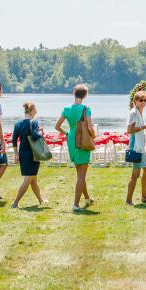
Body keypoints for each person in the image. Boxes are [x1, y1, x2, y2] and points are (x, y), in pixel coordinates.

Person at [55, 83, 95, 211]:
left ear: (74, 93)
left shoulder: (66, 109)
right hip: (82, 140)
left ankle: (87, 198)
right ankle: (76, 205)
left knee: (79, 173)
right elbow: (89, 126)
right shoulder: (86, 108)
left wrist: (67, 133)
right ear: (85, 95)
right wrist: (93, 135)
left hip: (71, 139)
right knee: (81, 175)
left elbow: (57, 126)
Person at [10, 101, 47, 208]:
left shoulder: (18, 124)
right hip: (33, 154)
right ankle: (15, 202)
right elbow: (35, 136)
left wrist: (16, 154)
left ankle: (41, 200)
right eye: (35, 110)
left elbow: (13, 140)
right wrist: (41, 131)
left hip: (22, 153)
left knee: (33, 179)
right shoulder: (34, 122)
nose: (36, 112)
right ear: (31, 111)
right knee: (28, 179)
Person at [126, 91, 146, 205]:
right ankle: (133, 199)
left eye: (145, 100)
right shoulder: (134, 112)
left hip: (139, 147)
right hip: (136, 148)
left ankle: (143, 196)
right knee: (142, 172)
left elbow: (138, 129)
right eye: (140, 100)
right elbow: (130, 130)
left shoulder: (138, 112)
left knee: (142, 172)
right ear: (135, 101)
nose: (143, 102)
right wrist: (145, 127)